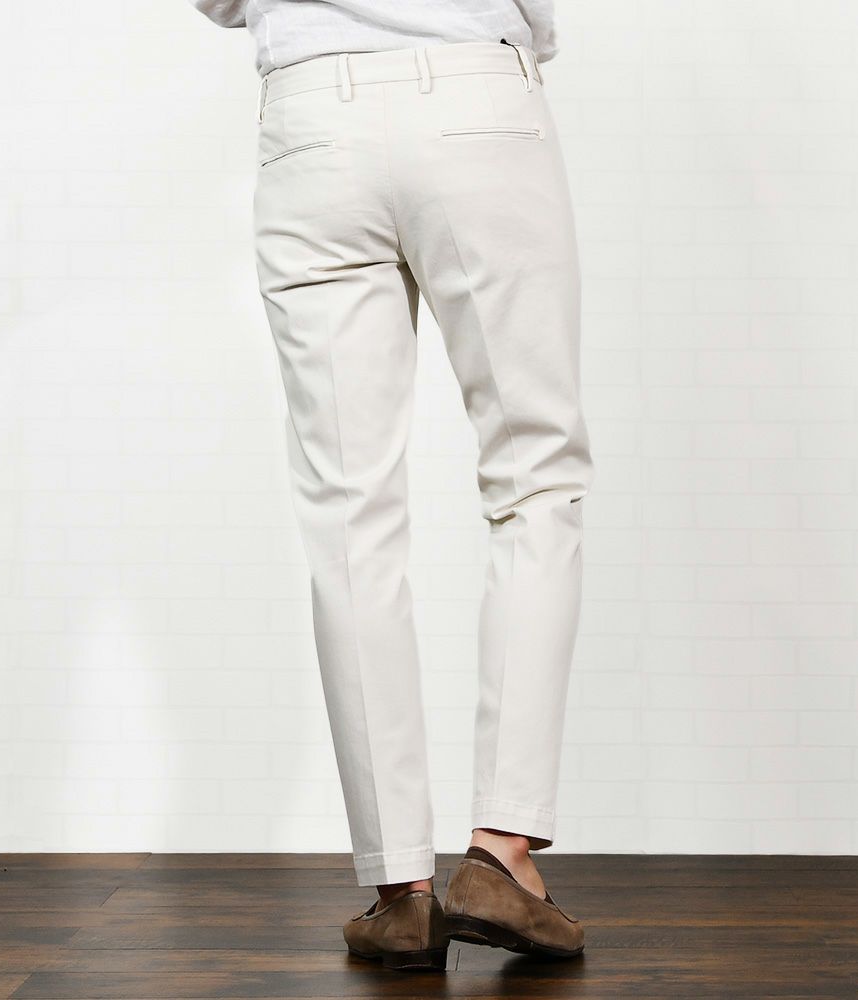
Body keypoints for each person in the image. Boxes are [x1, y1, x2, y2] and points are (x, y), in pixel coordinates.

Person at [189, 0, 594, 971]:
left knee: (348, 514)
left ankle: (399, 891)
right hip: (477, 99)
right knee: (535, 478)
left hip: (311, 123)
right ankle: (502, 853)